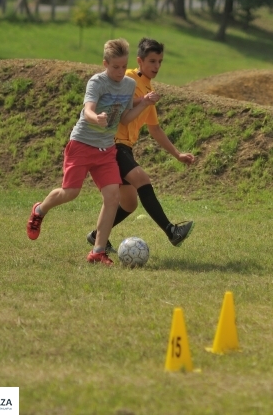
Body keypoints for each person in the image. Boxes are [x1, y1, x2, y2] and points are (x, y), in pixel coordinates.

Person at [26, 39, 155, 265]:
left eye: (123, 67)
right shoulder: (97, 82)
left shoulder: (128, 85)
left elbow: (124, 117)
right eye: (115, 67)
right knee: (70, 192)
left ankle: (98, 251)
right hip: (82, 144)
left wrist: (143, 103)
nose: (120, 71)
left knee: (112, 197)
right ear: (105, 63)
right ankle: (39, 209)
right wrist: (97, 118)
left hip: (106, 149)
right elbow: (88, 111)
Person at [84, 38, 196, 253]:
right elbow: (118, 105)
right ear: (140, 61)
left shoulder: (148, 89)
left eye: (160, 61)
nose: (156, 66)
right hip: (112, 144)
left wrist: (177, 154)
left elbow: (155, 129)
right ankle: (171, 231)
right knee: (142, 179)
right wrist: (142, 100)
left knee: (129, 203)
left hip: (125, 148)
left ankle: (97, 236)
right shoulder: (127, 79)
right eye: (152, 61)